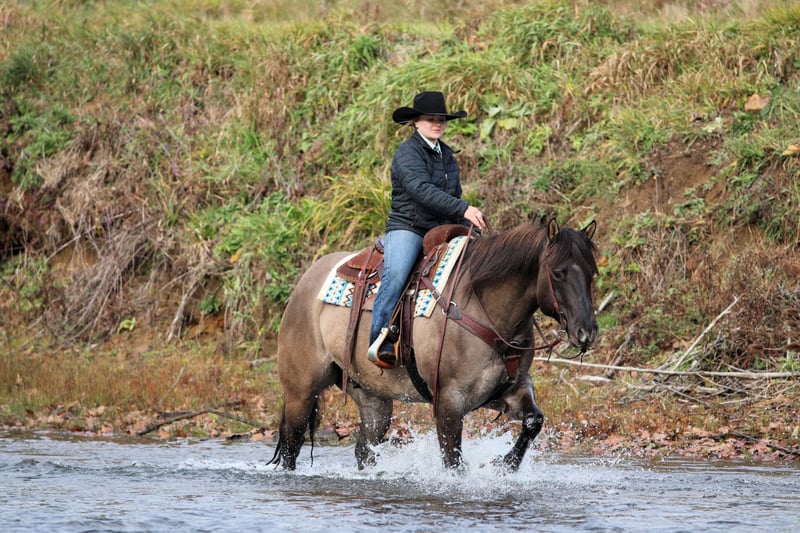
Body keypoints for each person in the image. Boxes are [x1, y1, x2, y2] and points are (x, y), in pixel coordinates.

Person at [367, 91, 485, 368]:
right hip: (409, 226)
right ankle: (380, 340)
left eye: (441, 119)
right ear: (415, 123)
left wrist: (469, 226)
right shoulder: (407, 153)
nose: (437, 124)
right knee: (396, 274)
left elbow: (452, 195)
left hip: (441, 226)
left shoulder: (446, 155)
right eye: (430, 119)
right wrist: (464, 209)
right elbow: (421, 190)